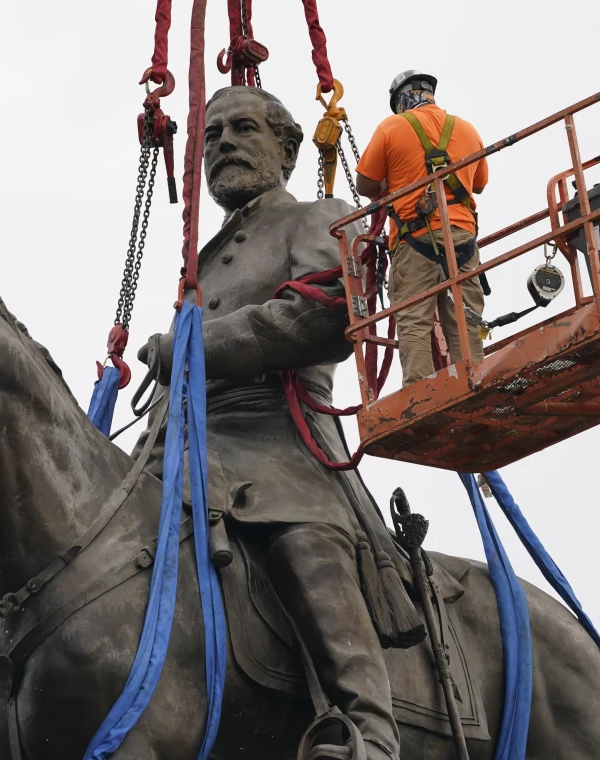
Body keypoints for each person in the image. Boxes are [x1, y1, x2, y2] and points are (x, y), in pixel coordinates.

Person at [135, 86, 431, 760]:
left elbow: (323, 318)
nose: (223, 145)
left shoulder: (321, 217)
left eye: (243, 129)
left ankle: (367, 729)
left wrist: (191, 346)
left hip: (281, 441)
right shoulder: (204, 259)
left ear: (289, 147)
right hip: (188, 444)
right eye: (211, 136)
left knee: (302, 541)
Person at [355, 70, 490, 385]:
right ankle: (475, 380)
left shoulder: (392, 127)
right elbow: (479, 184)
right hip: (463, 241)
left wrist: (395, 179)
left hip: (414, 242)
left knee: (414, 320)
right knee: (465, 319)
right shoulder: (467, 130)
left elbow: (365, 184)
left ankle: (420, 390)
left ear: (401, 100)